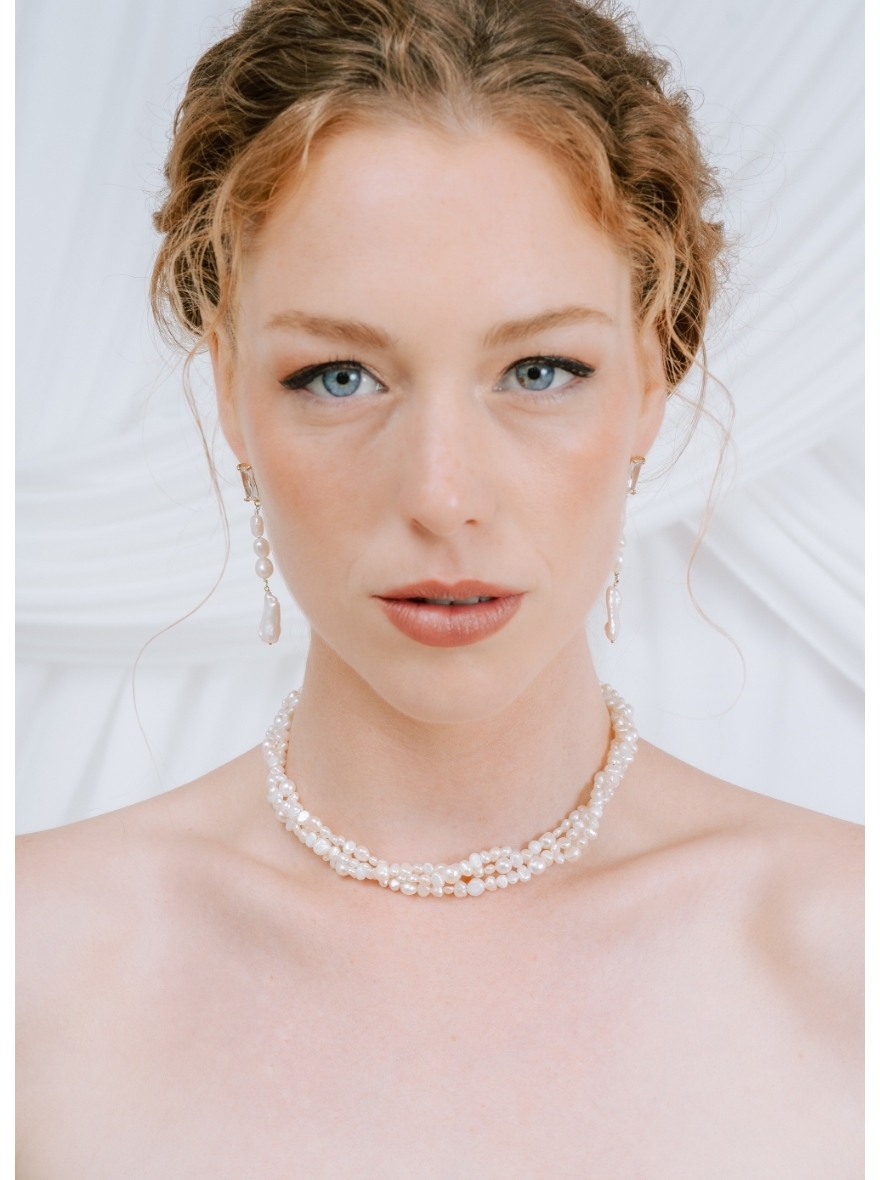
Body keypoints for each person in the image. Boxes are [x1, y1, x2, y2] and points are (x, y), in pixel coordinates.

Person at [16, 0, 863, 1174]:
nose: (442, 494)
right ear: (228, 388)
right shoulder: (37, 967)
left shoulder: (846, 952)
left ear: (651, 374)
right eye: (339, 375)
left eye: (539, 369)